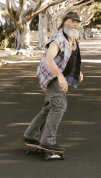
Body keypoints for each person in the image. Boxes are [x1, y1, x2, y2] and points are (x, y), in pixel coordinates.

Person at [23, 11, 83, 151]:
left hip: (57, 74)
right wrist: (60, 76)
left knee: (49, 107)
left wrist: (78, 71)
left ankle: (30, 135)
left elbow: (69, 58)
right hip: (51, 75)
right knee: (59, 106)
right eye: (72, 21)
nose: (75, 24)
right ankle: (47, 141)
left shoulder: (73, 38)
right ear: (65, 22)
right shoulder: (58, 38)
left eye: (77, 22)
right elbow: (49, 59)